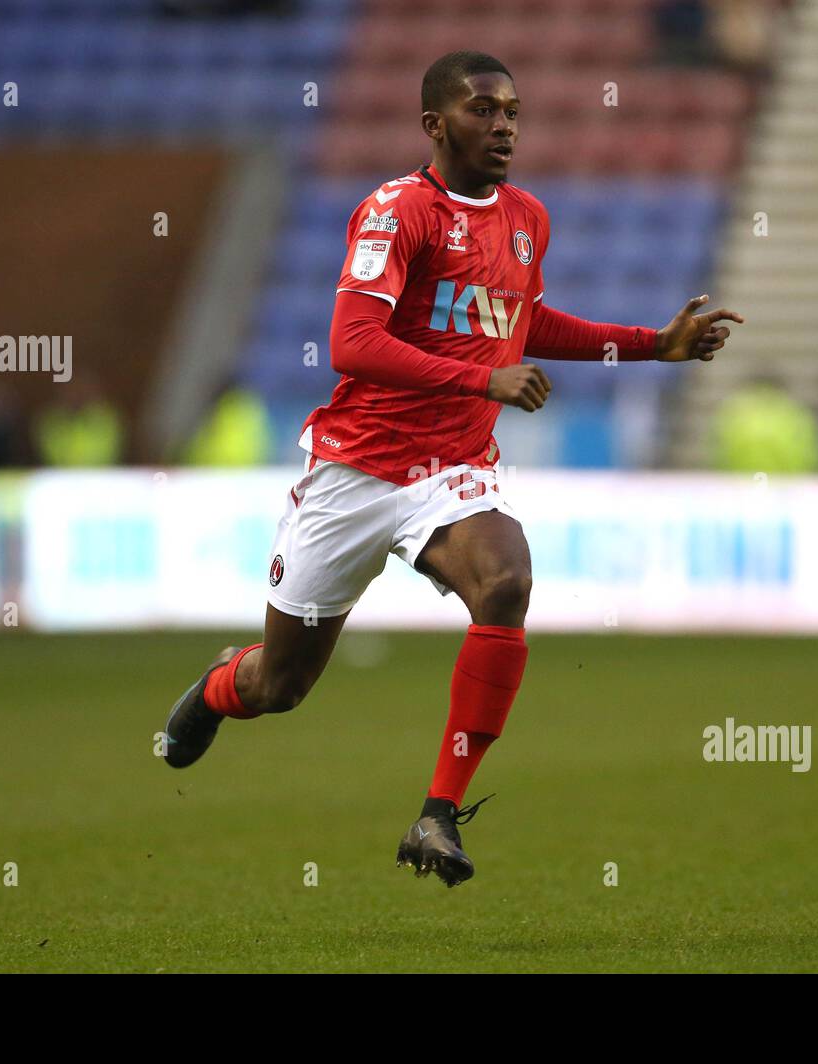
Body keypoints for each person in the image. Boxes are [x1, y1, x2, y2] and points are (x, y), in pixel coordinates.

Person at [161, 51, 744, 887]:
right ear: (436, 125)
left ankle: (437, 815)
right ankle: (221, 685)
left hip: (453, 467)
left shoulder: (528, 218)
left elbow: (522, 320)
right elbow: (353, 343)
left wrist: (653, 345)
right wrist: (482, 376)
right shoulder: (397, 213)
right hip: (356, 470)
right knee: (281, 685)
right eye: (482, 110)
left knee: (505, 581)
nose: (503, 124)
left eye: (512, 110)